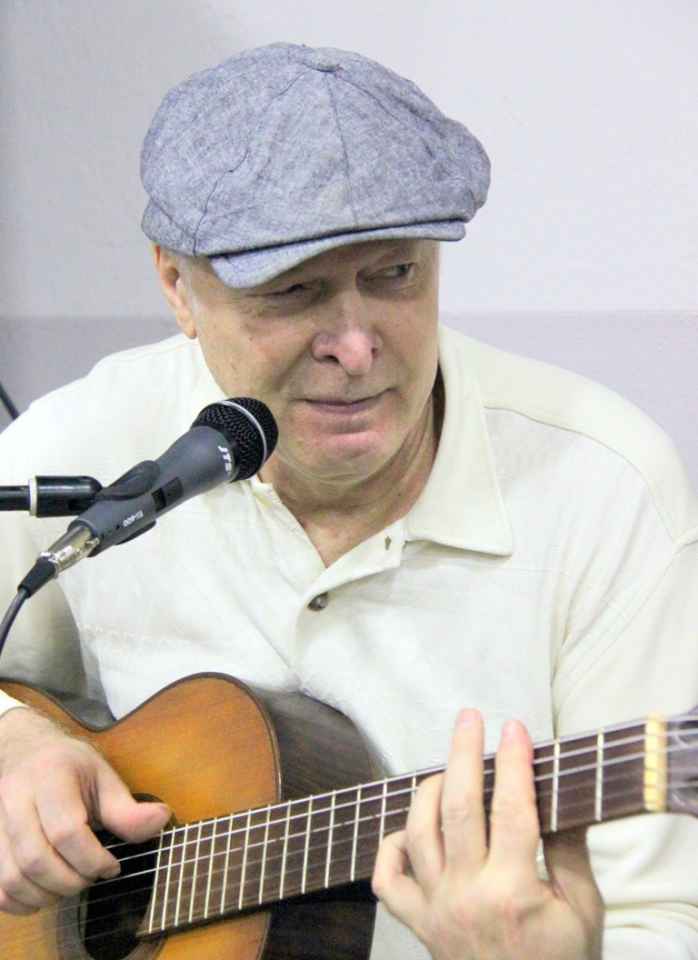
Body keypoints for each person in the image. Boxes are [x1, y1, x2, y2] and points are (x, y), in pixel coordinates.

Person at [1, 41, 697, 959]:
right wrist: (12, 743)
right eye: (295, 292)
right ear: (177, 286)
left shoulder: (607, 490)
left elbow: (667, 919)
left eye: (395, 276)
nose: (357, 348)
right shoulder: (81, 444)